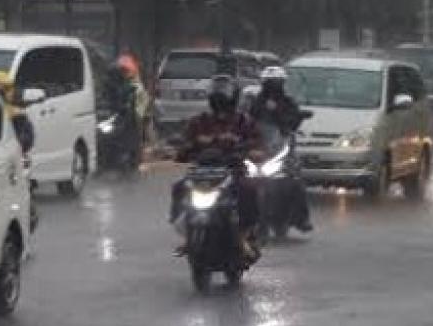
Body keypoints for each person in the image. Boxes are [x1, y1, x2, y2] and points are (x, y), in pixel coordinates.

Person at [170, 75, 260, 260]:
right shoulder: (199, 122)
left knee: (248, 190)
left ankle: (244, 238)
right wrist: (186, 147)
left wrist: (248, 149)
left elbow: (257, 144)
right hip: (201, 174)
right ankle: (188, 236)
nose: (221, 106)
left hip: (232, 172)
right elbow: (184, 145)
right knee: (179, 187)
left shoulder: (244, 122)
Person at [248, 66, 313, 232]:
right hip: (258, 149)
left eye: (276, 83)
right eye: (269, 83)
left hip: (281, 149)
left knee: (295, 180)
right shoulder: (255, 102)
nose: (272, 86)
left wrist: (283, 116)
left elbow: (294, 119)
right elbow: (246, 119)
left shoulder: (288, 102)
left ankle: (301, 218)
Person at [0, 70, 38, 230]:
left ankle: (27, 212)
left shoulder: (16, 115)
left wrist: (14, 149)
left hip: (12, 162)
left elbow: (27, 138)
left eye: (1, 90)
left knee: (22, 186)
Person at [115, 54, 149, 165]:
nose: (123, 72)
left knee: (137, 138)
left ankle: (137, 160)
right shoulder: (121, 82)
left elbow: (141, 100)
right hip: (127, 114)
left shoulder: (135, 85)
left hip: (136, 115)